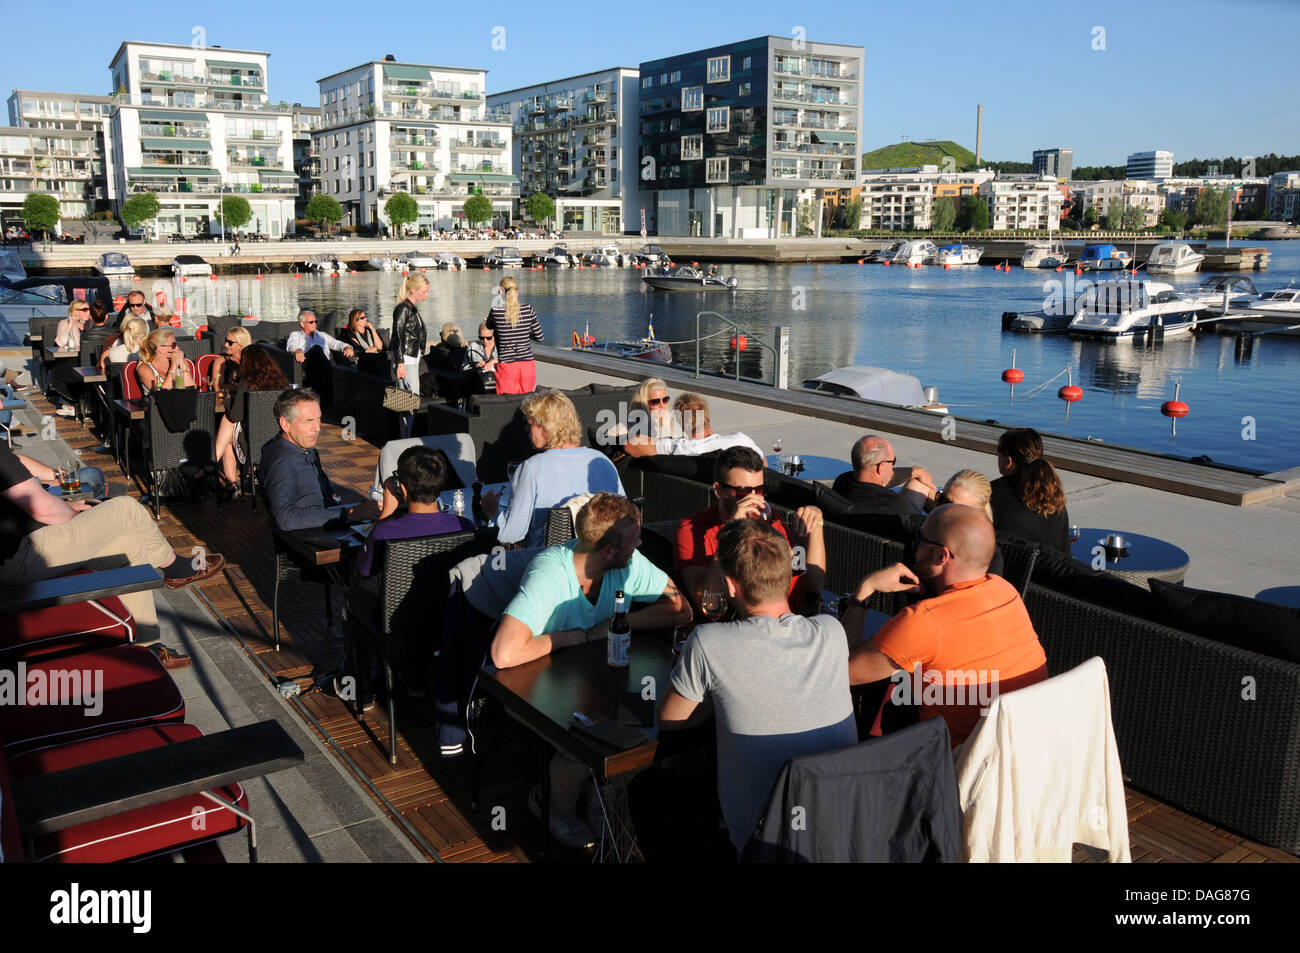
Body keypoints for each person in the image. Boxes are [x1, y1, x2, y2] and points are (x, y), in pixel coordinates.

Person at [491, 493, 691, 847]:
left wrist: (623, 619)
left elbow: (681, 608)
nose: (640, 545)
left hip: (600, 678)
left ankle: (602, 797)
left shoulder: (627, 564)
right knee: (584, 742)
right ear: (608, 552)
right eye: (634, 541)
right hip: (533, 683)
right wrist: (575, 636)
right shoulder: (550, 572)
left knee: (646, 726)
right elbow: (503, 654)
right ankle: (554, 807)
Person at [658, 518, 856, 855]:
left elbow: (670, 718)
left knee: (651, 791)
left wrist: (723, 698)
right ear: (787, 574)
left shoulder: (709, 642)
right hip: (841, 825)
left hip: (762, 841)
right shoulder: (831, 631)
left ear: (731, 587)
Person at [0, 442, 225, 668]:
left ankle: (145, 646)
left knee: (130, 546)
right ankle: (175, 569)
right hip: (18, 557)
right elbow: (43, 509)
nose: (1, 404)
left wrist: (59, 491)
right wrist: (74, 515)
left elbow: (12, 460)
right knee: (127, 508)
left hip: (21, 549)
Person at [842, 503, 1049, 748]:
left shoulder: (923, 621)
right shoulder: (1006, 591)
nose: (915, 545)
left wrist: (865, 591)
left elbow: (840, 674)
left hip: (955, 767)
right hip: (1020, 752)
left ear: (941, 556)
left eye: (920, 537)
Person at [344, 446, 475, 704]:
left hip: (398, 627)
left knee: (351, 600)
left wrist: (386, 513)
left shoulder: (386, 531)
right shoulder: (465, 526)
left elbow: (363, 569)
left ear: (402, 489)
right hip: (447, 622)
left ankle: (360, 687)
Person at [675, 445, 825, 618]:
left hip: (783, 624)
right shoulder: (692, 529)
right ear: (719, 490)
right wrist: (730, 530)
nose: (755, 499)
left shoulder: (769, 522)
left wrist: (816, 525)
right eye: (743, 492)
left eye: (761, 490)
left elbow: (813, 587)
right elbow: (706, 604)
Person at [481, 389, 623, 548]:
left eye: (530, 424)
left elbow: (510, 534)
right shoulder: (602, 460)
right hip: (602, 560)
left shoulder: (531, 468)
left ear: (545, 427)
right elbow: (624, 516)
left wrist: (491, 512)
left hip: (548, 563)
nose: (527, 430)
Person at [259, 388, 370, 530]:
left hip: (323, 522)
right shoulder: (283, 462)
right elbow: (285, 518)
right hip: (309, 538)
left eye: (319, 419)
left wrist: (332, 498)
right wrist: (349, 514)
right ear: (285, 424)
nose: (317, 428)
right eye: (309, 421)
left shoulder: (303, 449)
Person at [214, 343, 288, 492]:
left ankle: (229, 482)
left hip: (254, 443)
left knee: (227, 425)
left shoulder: (247, 383)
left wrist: (228, 401)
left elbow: (235, 415)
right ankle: (220, 475)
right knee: (228, 429)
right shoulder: (281, 382)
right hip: (279, 439)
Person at [990, 428, 1070, 553]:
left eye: (998, 451)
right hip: (1050, 571)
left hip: (1008, 569)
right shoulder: (1054, 496)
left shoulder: (992, 493)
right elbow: (1065, 552)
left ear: (1008, 461)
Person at [625, 392, 761, 458]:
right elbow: (764, 464)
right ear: (709, 417)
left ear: (681, 424)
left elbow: (630, 445)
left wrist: (666, 442)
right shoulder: (741, 440)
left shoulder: (683, 447)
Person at [831, 435, 937, 517]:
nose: (893, 467)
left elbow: (885, 478)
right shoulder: (896, 505)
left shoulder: (842, 481)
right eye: (892, 462)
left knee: (919, 483)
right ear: (881, 467)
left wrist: (916, 471)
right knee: (923, 487)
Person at [486, 276, 542, 394]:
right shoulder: (528, 309)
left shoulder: (496, 311)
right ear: (518, 291)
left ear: (500, 292)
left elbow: (489, 326)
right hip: (527, 365)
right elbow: (540, 337)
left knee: (507, 404)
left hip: (507, 366)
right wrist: (526, 332)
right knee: (526, 403)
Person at [49, 300, 93, 416]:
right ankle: (70, 404)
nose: (88, 312)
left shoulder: (91, 324)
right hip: (73, 361)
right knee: (60, 372)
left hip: (89, 361)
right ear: (74, 312)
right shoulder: (64, 323)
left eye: (89, 309)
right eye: (84, 309)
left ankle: (86, 403)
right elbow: (60, 342)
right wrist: (69, 325)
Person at [389, 273, 429, 398]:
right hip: (406, 359)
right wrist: (400, 363)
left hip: (412, 357)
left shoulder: (412, 309)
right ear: (413, 290)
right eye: (424, 291)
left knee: (409, 400)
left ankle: (406, 418)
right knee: (409, 400)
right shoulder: (403, 309)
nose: (426, 295)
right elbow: (397, 335)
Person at [135, 328, 195, 394]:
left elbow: (192, 390)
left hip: (180, 401)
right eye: (173, 345)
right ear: (160, 348)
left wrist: (183, 366)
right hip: (157, 402)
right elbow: (161, 393)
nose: (177, 348)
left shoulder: (181, 362)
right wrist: (173, 366)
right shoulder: (144, 368)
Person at [337, 308, 388, 377]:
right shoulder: (351, 335)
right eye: (362, 318)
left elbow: (379, 347)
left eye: (365, 317)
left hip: (378, 356)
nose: (365, 319)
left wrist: (372, 329)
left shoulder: (370, 331)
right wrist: (368, 350)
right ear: (355, 320)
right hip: (365, 360)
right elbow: (357, 352)